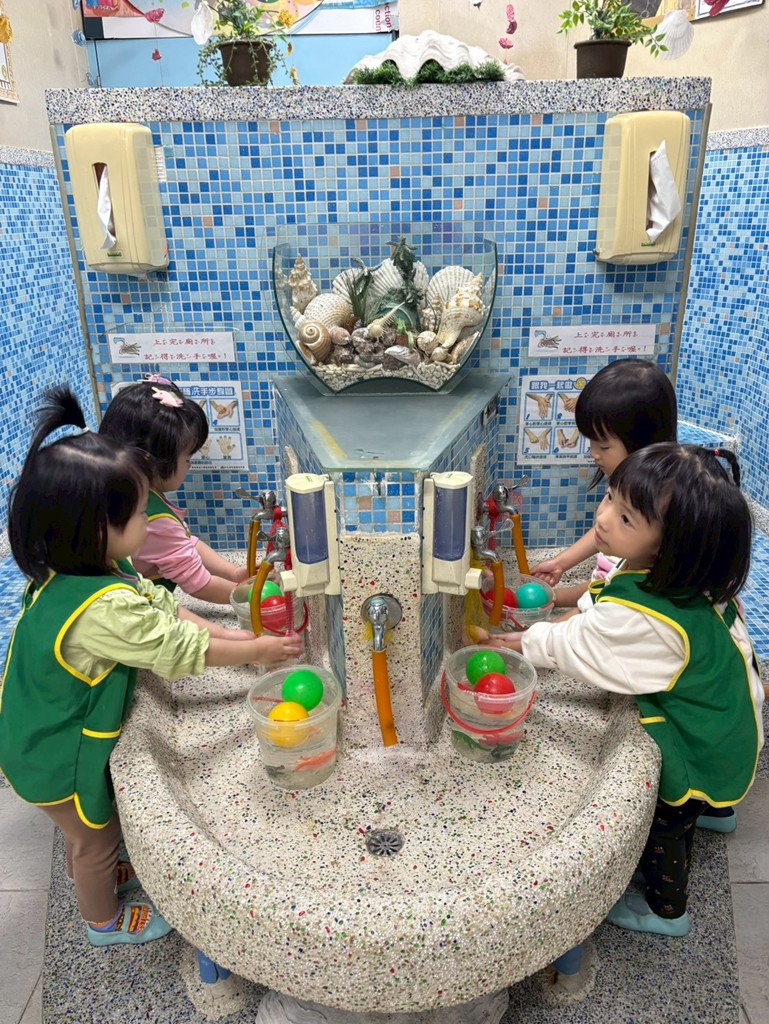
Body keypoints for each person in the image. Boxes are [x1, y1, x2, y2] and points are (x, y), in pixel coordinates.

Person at [0, 386, 302, 947]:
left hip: (33, 727)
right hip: (52, 752)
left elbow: (165, 612)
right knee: (95, 838)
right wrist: (258, 651)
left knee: (89, 830)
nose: (148, 522)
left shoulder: (88, 569)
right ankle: (102, 921)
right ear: (97, 527)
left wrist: (237, 635)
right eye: (140, 514)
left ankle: (94, 869)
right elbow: (178, 650)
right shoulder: (102, 609)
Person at [489, 444, 763, 936]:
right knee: (701, 799)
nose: (604, 517)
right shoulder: (687, 580)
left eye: (626, 518)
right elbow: (605, 601)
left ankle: (667, 910)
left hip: (705, 742)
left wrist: (527, 642)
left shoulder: (651, 620)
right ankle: (716, 811)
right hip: (731, 719)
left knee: (664, 824)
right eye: (611, 497)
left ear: (669, 546)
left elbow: (589, 644)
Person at [532, 358, 677, 605]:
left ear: (644, 441)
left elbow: (611, 591)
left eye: (604, 446)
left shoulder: (657, 511)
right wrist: (561, 563)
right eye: (591, 442)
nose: (593, 454)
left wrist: (553, 601)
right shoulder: (632, 492)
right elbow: (604, 533)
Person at [99, 376, 248, 603]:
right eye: (187, 458)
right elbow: (199, 583)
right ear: (150, 462)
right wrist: (252, 596)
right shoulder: (153, 520)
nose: (189, 466)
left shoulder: (120, 488)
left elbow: (185, 542)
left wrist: (234, 573)